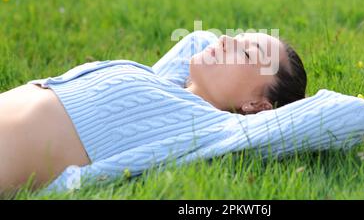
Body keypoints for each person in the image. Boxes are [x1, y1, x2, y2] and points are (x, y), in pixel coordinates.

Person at [0, 30, 307, 194]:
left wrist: (275, 113)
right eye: (236, 37)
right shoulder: (161, 81)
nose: (224, 40)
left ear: (257, 105)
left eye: (245, 52)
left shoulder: (212, 127)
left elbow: (347, 112)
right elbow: (198, 40)